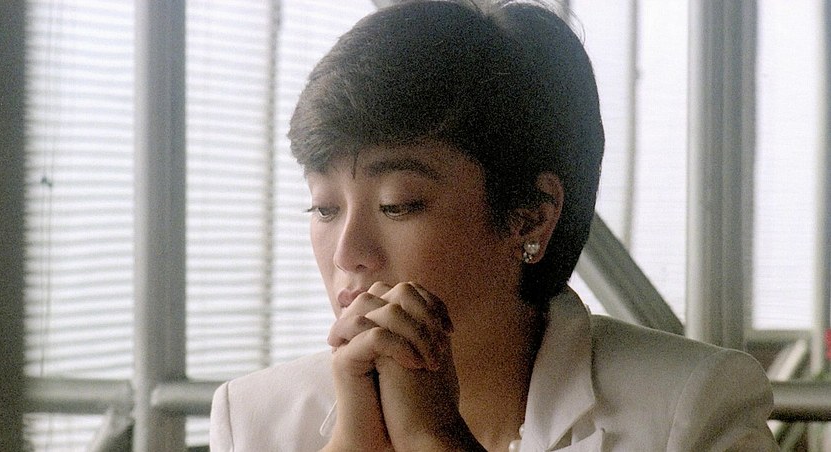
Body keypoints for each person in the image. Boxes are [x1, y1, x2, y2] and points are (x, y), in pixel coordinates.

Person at [210, 1, 778, 450]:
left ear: (531, 215)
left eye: (399, 204)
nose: (347, 253)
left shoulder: (690, 406)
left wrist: (435, 440)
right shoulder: (255, 419)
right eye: (324, 208)